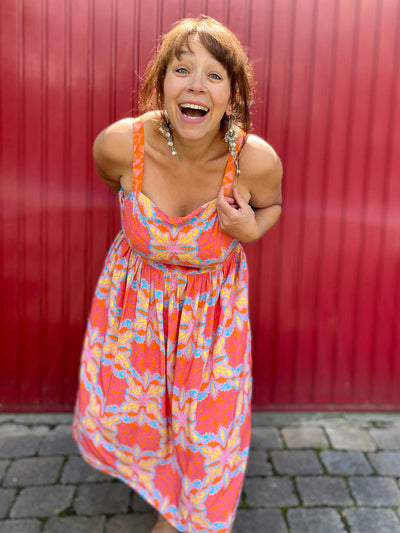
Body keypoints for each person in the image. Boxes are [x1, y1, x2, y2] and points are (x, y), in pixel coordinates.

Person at [72, 15, 282, 533]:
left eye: (214, 75)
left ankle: (192, 519)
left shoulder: (254, 162)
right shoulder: (120, 146)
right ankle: (170, 503)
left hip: (211, 326)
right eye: (182, 69)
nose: (195, 85)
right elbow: (112, 182)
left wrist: (251, 229)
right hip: (135, 314)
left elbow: (271, 205)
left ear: (232, 94)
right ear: (161, 82)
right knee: (148, 424)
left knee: (207, 438)